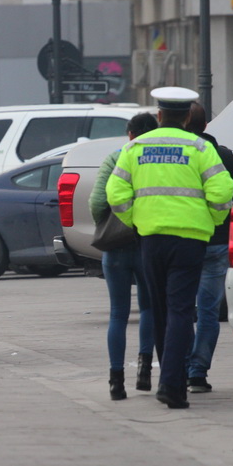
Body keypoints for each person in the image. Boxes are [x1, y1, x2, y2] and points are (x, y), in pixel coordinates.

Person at [106, 87, 233, 409]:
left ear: (159, 115)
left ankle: (170, 382)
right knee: (180, 310)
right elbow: (222, 192)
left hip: (151, 240)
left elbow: (116, 192)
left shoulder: (135, 147)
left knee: (161, 310)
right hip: (190, 240)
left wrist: (136, 220)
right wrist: (212, 218)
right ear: (188, 116)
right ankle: (172, 385)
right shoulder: (200, 147)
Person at [89, 112, 158, 400]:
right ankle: (144, 371)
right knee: (149, 308)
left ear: (129, 134)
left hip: (117, 247)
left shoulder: (115, 158)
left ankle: (116, 381)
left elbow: (97, 202)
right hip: (148, 243)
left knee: (118, 313)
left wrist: (110, 225)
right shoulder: (156, 160)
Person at [184, 102, 233, 393]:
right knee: (208, 311)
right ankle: (197, 373)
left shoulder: (180, 155)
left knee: (180, 309)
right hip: (216, 242)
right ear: (206, 126)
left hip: (183, 242)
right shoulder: (225, 155)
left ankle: (180, 368)